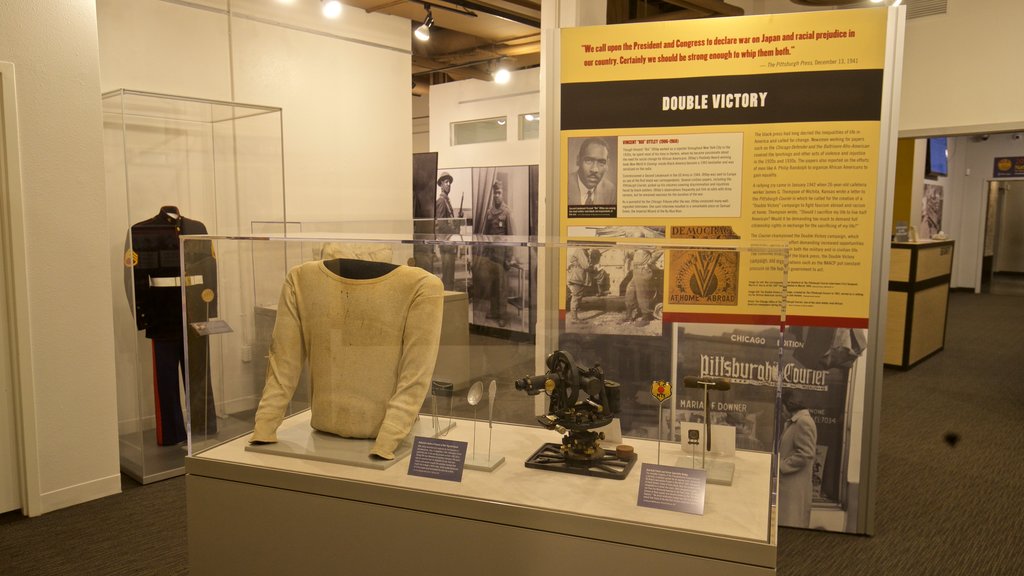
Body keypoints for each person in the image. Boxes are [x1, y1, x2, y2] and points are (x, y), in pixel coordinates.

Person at [778, 388, 818, 528]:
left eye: (782, 406)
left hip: (794, 490)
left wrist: (781, 465)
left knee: (791, 525)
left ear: (788, 405)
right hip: (790, 488)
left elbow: (806, 454)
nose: (781, 411)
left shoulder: (803, 422)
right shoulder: (794, 422)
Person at [477, 180, 513, 327]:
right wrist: (484, 255)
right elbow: (485, 236)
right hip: (491, 256)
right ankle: (493, 311)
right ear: (492, 194)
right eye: (495, 193)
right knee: (492, 285)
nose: (497, 196)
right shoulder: (489, 213)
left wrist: (509, 258)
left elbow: (511, 236)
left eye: (499, 193)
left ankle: (502, 315)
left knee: (502, 287)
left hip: (502, 256)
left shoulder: (507, 212)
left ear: (502, 193)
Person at [568, 138, 616, 206]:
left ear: (607, 165)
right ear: (578, 160)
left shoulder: (610, 191)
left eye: (601, 162)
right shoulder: (564, 185)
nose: (594, 169)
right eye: (588, 160)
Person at [566, 247, 609, 322]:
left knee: (577, 297)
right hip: (578, 278)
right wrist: (595, 267)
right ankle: (574, 318)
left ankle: (574, 316)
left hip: (579, 277)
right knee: (576, 297)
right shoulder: (580, 250)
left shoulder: (583, 251)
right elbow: (586, 265)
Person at [623, 248, 659, 326]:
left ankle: (646, 317)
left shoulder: (646, 243)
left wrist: (649, 263)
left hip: (643, 270)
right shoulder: (636, 246)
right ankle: (628, 316)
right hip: (635, 271)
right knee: (629, 292)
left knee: (642, 295)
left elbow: (660, 250)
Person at [434, 172, 458, 290]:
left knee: (450, 273)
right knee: (448, 274)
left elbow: (449, 221)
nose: (449, 184)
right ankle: (447, 299)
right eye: (446, 182)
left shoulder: (447, 201)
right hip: (446, 244)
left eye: (449, 182)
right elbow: (442, 225)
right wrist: (454, 231)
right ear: (441, 185)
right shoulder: (441, 202)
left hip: (449, 243)